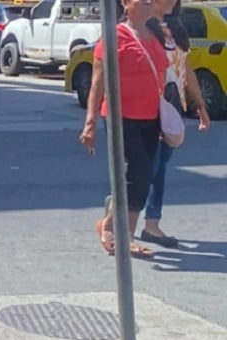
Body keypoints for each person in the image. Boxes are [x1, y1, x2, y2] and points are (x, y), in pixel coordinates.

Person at [80, 0, 169, 259]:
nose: (149, 4)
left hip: (151, 118)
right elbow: (97, 85)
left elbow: (162, 77)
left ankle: (109, 224)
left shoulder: (157, 35)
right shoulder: (113, 37)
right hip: (121, 117)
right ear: (125, 4)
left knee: (145, 174)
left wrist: (166, 118)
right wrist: (90, 123)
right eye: (142, 0)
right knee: (137, 172)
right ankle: (126, 236)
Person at [140, 0, 209, 247]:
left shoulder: (176, 29)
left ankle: (150, 223)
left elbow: (185, 69)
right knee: (148, 168)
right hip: (148, 108)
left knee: (158, 169)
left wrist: (199, 103)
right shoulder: (142, 28)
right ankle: (118, 217)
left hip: (171, 108)